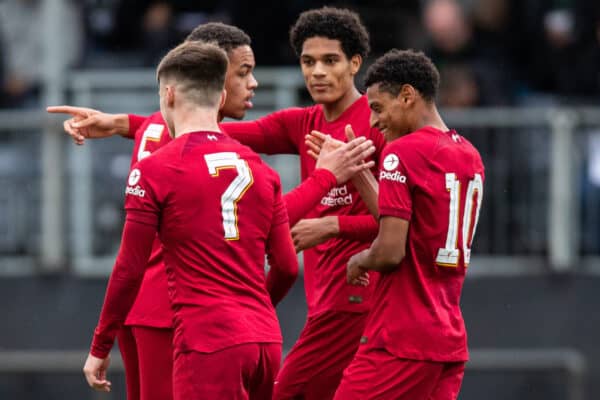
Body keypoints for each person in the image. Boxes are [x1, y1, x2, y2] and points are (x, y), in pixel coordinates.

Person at [48, 21, 376, 400]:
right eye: (242, 72)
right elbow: (263, 235)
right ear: (214, 82)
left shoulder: (161, 133)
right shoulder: (246, 162)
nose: (252, 83)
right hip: (183, 315)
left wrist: (122, 122)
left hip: (147, 310)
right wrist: (324, 184)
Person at [82, 40, 298, 400]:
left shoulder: (155, 169)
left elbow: (128, 268)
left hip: (208, 342)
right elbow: (288, 266)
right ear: (220, 95)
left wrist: (100, 344)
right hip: (265, 341)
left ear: (168, 94)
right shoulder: (261, 169)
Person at [220, 7, 386, 399]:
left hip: (357, 300)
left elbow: (401, 223)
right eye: (308, 62)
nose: (317, 73)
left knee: (284, 393)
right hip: (325, 302)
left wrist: (331, 226)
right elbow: (210, 130)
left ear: (355, 63)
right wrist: (124, 123)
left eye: (330, 61)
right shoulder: (301, 124)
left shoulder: (378, 125)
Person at [333, 49, 485, 399]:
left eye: (377, 107)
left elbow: (389, 252)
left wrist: (358, 259)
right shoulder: (469, 154)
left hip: (400, 337)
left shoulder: (402, 152)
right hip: (447, 340)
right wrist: (359, 175)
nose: (373, 121)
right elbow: (411, 229)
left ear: (407, 95)